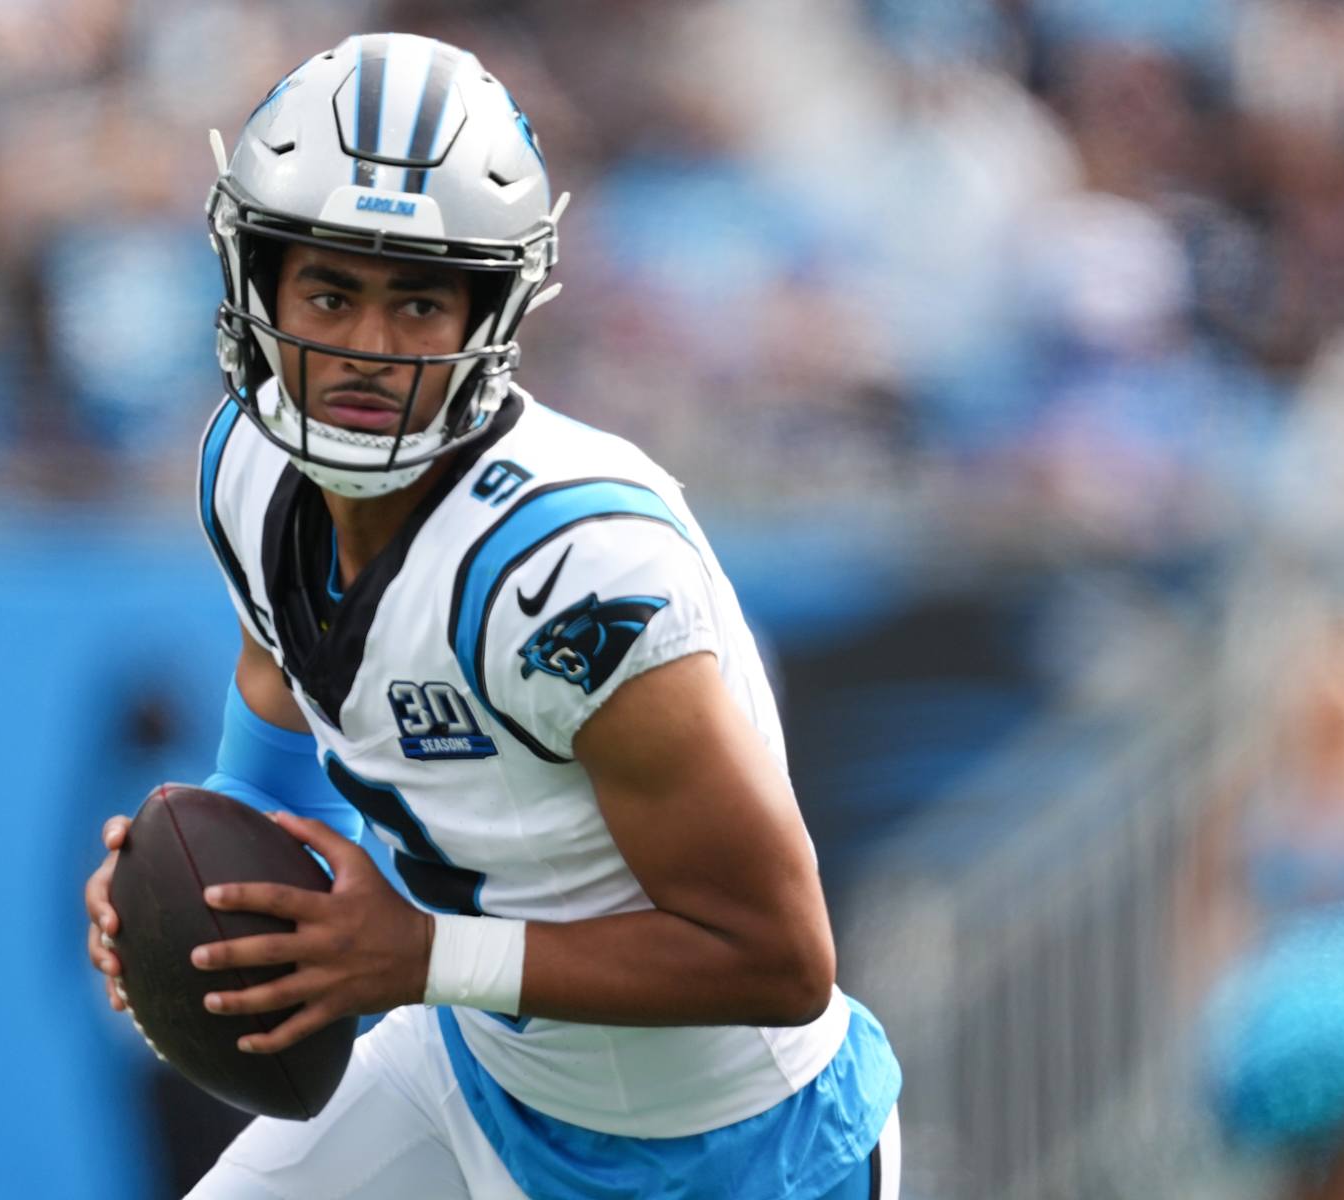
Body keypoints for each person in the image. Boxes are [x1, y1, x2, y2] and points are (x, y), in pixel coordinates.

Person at [84, 32, 902, 1199]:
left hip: (737, 1147)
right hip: (475, 1071)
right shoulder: (251, 476)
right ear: (255, 286)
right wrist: (187, 904)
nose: (366, 349)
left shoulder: (573, 568)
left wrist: (421, 955)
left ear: (491, 313)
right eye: (330, 291)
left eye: (418, 300)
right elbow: (271, 783)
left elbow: (777, 958)